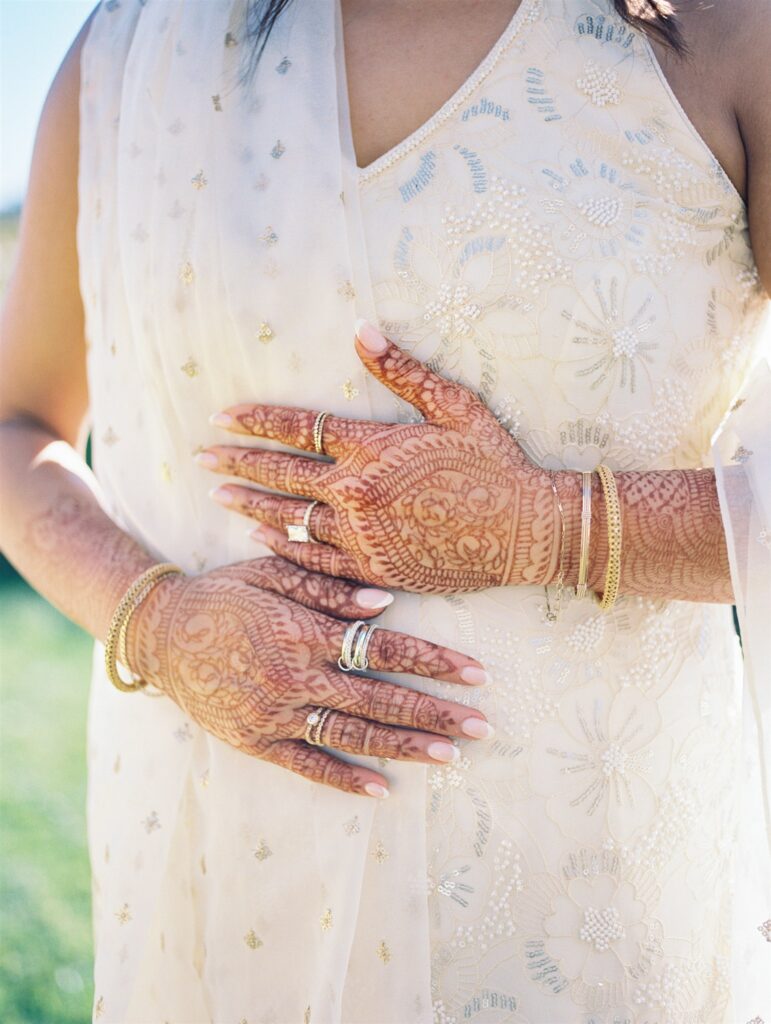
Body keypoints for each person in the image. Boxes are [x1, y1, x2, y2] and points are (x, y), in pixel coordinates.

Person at [1, 0, 769, 1020]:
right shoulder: (129, 49)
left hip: (590, 916)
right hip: (222, 897)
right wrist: (158, 621)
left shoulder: (729, 34)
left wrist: (549, 523)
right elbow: (17, 422)